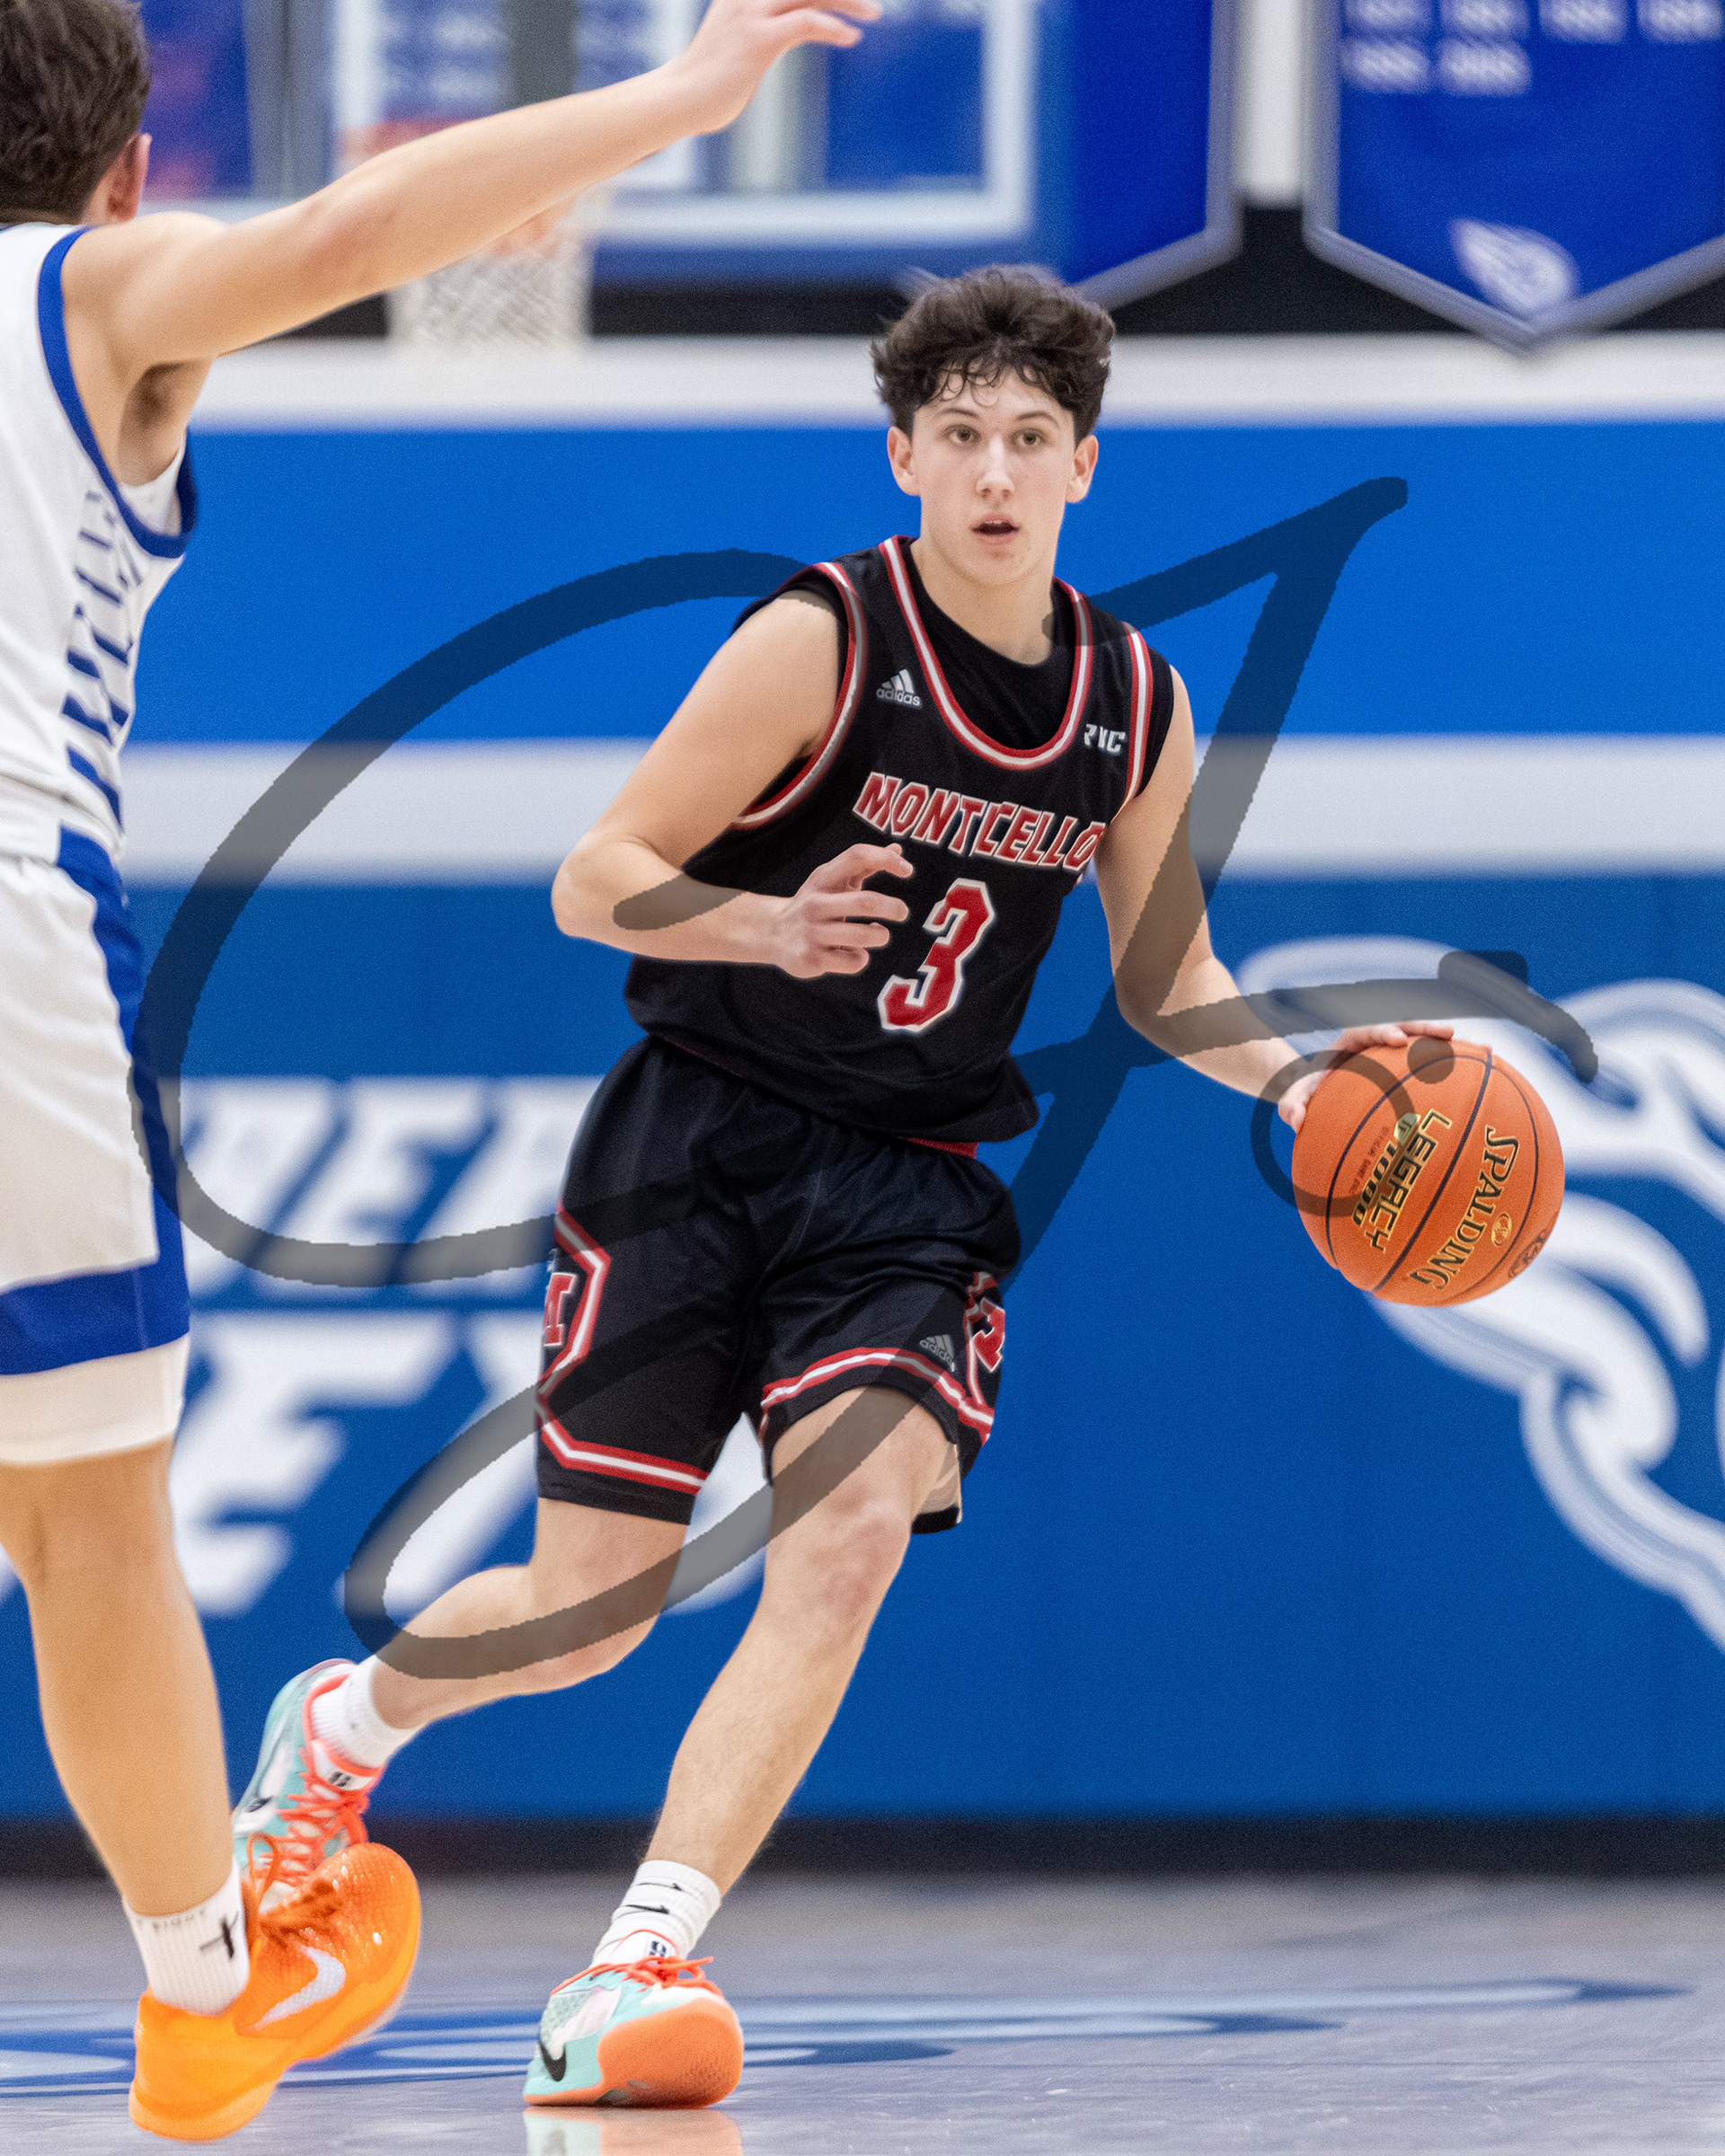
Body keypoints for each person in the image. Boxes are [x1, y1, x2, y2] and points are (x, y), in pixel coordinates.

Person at [234, 266, 1454, 2113]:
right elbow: (594, 874)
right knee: (591, 1611)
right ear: (903, 456)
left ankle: (639, 1961)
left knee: (853, 1523)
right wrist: (764, 923)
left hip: (905, 1189)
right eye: (959, 435)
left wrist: (1314, 1080)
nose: (994, 472)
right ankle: (343, 1727)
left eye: (1029, 438)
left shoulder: (1134, 700)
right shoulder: (821, 638)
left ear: (1085, 465)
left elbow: (1169, 984)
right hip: (694, 1141)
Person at [0, 0, 878, 2138]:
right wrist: (675, 96)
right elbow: (347, 233)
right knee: (86, 1522)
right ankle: (205, 1996)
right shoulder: (82, 289)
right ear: (127, 173)